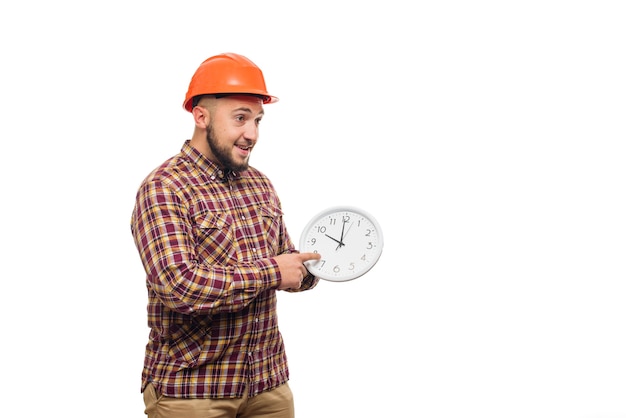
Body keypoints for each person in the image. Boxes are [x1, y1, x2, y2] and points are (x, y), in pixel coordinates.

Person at [130, 52, 321, 418]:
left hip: (267, 385)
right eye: (240, 119)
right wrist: (274, 271)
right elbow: (179, 287)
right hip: (193, 393)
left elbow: (285, 262)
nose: (252, 133)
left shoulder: (259, 184)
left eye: (258, 120)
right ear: (201, 117)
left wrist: (315, 267)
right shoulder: (165, 188)